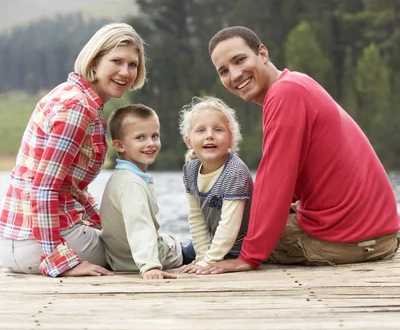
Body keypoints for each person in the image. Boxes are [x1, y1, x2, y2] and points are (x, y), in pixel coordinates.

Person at [201, 25, 400, 275]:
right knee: (243, 213)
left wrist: (249, 257)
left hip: (349, 241)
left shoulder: (284, 94)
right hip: (382, 235)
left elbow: (275, 181)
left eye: (240, 60)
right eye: (224, 71)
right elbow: (292, 181)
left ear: (263, 54)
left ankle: (181, 252)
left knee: (233, 224)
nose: (235, 74)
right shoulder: (295, 83)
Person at [0, 22, 146, 278]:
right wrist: (59, 259)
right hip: (38, 244)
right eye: (116, 61)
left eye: (132, 64)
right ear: (95, 62)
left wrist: (106, 225)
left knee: (131, 238)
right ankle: (191, 253)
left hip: (14, 242)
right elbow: (43, 188)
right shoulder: (78, 108)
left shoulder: (70, 95)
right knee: (142, 250)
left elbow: (72, 189)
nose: (125, 72)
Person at [100, 104, 195, 280]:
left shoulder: (122, 177)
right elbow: (140, 227)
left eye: (155, 136)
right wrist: (150, 266)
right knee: (216, 246)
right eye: (140, 138)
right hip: (160, 257)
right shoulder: (132, 184)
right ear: (120, 145)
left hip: (121, 259)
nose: (150, 143)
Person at [178, 96, 253, 274]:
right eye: (201, 130)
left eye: (218, 130)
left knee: (186, 256)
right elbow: (196, 217)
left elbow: (229, 226)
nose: (210, 135)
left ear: (231, 139)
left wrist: (208, 261)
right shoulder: (190, 169)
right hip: (213, 244)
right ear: (189, 141)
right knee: (178, 254)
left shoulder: (235, 172)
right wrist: (202, 257)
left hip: (239, 248)